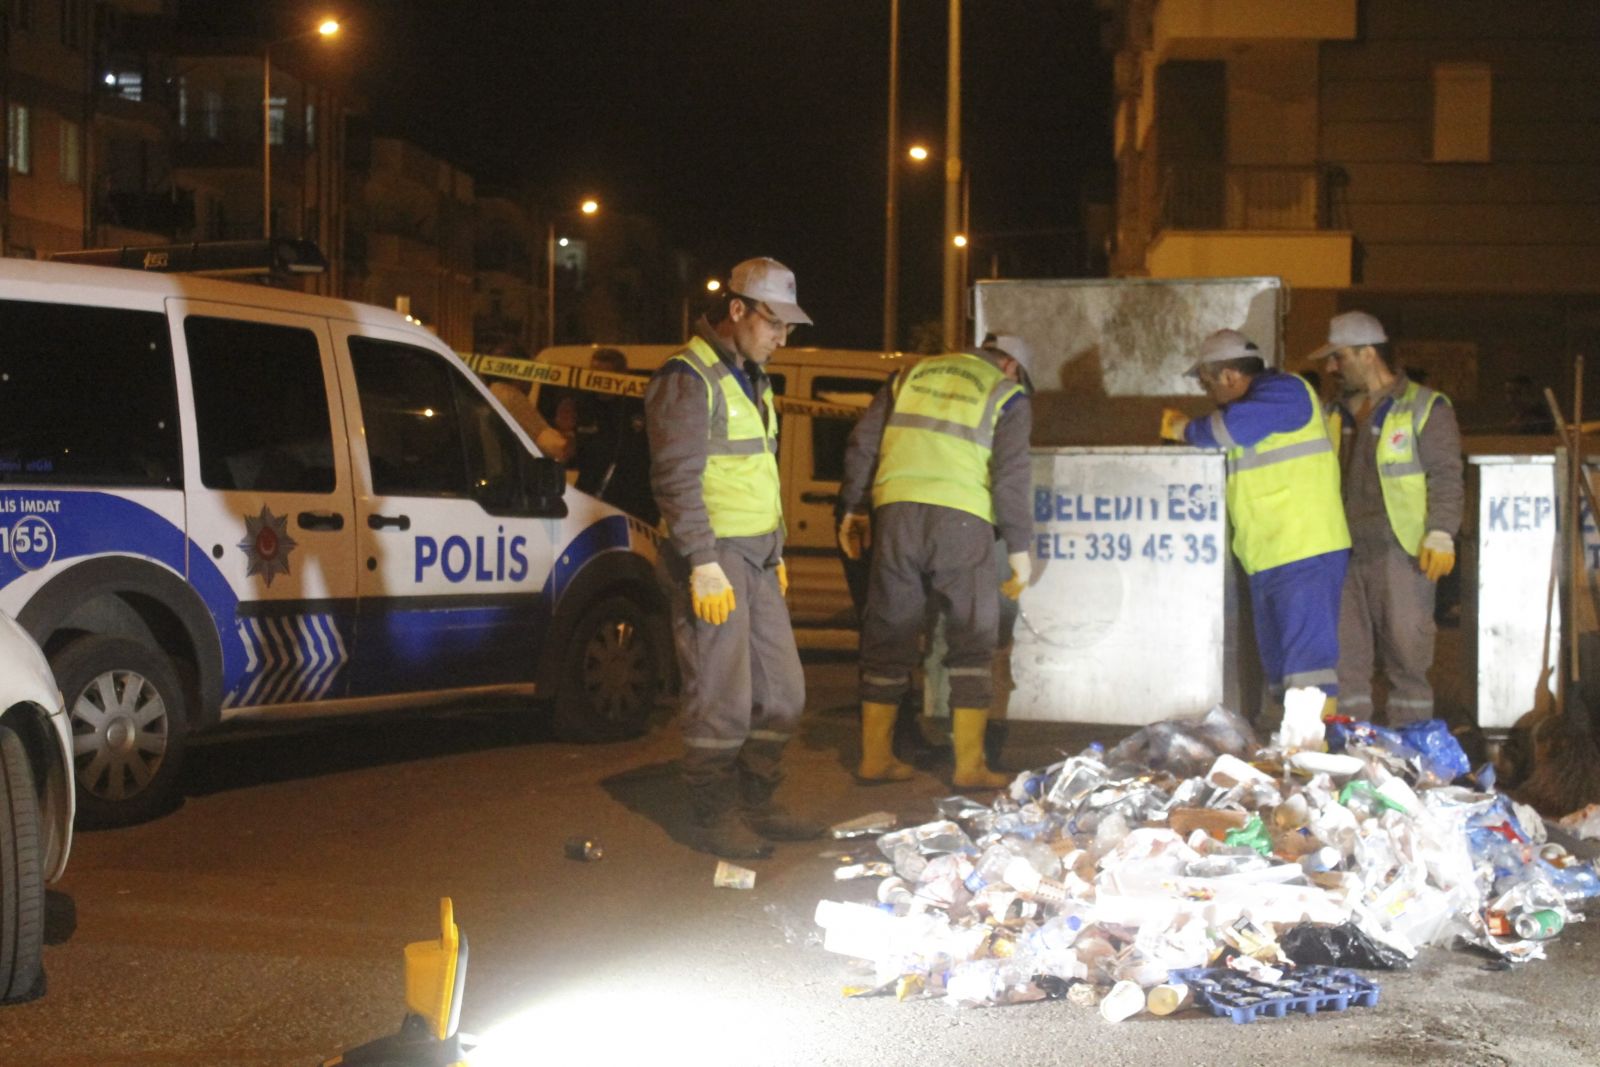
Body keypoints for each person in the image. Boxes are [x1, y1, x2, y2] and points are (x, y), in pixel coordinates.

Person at [644, 256, 819, 859]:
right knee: (722, 696)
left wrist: (775, 550)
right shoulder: (688, 376)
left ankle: (758, 801)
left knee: (783, 694)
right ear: (738, 309)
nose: (783, 337)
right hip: (713, 556)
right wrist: (701, 560)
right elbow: (675, 477)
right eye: (775, 323)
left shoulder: (750, 375)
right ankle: (711, 814)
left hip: (757, 557)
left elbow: (756, 474)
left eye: (789, 327)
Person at [838, 333, 1034, 789]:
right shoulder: (1006, 394)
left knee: (888, 631)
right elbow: (1011, 476)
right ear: (1011, 366)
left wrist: (853, 507)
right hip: (961, 519)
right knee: (972, 633)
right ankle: (969, 767)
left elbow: (863, 443)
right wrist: (1020, 548)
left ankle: (876, 758)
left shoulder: (908, 375)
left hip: (896, 513)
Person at [1160, 329, 1350, 720]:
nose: (1208, 393)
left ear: (1229, 375)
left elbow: (1224, 430)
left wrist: (1182, 429)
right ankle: (1296, 752)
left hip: (1304, 549)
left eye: (1207, 382)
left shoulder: (1285, 392)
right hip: (1271, 555)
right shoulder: (1259, 407)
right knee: (1283, 671)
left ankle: (1313, 757)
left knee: (1307, 667)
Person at [1315, 310, 1464, 724]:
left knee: (1408, 660)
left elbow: (1447, 475)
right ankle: (1351, 755)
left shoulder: (1424, 407)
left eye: (1338, 357)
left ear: (1366, 354)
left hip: (1400, 549)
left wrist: (1440, 532)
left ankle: (1409, 757)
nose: (1331, 367)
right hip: (1342, 551)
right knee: (1346, 664)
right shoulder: (1333, 412)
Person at [573, 347, 658, 524]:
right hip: (591, 503)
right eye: (594, 375)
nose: (599, 382)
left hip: (634, 505)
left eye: (605, 377)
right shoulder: (582, 406)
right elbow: (575, 455)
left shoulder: (641, 408)